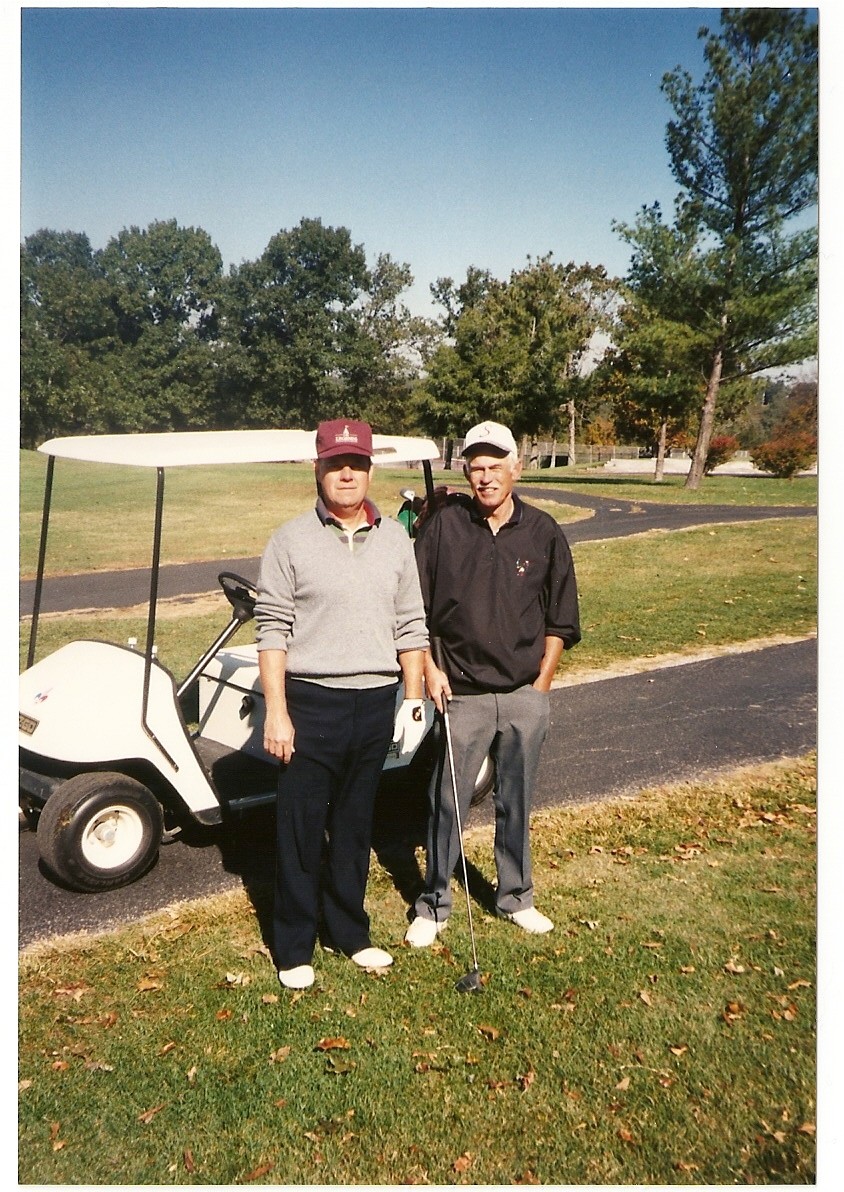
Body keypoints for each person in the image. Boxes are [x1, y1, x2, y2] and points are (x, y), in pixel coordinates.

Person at [255, 419, 429, 989]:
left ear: (371, 470)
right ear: (318, 469)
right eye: (335, 464)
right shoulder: (290, 539)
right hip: (311, 702)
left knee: (356, 824)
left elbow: (411, 622)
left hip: (376, 701)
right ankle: (293, 945)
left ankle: (350, 933)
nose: (346, 473)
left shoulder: (396, 537)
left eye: (355, 463)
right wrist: (277, 711)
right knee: (301, 827)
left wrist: (412, 696)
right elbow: (273, 630)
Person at [405, 420, 581, 947]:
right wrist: (431, 671)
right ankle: (434, 905)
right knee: (447, 802)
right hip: (462, 695)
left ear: (515, 468)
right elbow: (414, 611)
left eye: (495, 466)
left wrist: (541, 686)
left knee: (516, 799)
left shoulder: (544, 531)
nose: (485, 478)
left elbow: (561, 619)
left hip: (525, 695)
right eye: (476, 467)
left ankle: (515, 896)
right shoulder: (442, 529)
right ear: (465, 470)